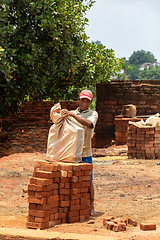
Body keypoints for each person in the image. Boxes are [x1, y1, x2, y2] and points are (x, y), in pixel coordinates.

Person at [60, 89, 98, 215]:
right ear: (79, 100)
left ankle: (92, 206)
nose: (84, 103)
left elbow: (88, 124)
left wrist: (72, 115)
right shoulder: (71, 113)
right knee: (70, 179)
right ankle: (72, 205)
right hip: (70, 153)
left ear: (90, 103)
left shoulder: (93, 114)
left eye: (87, 101)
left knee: (89, 180)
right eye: (82, 100)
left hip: (85, 152)